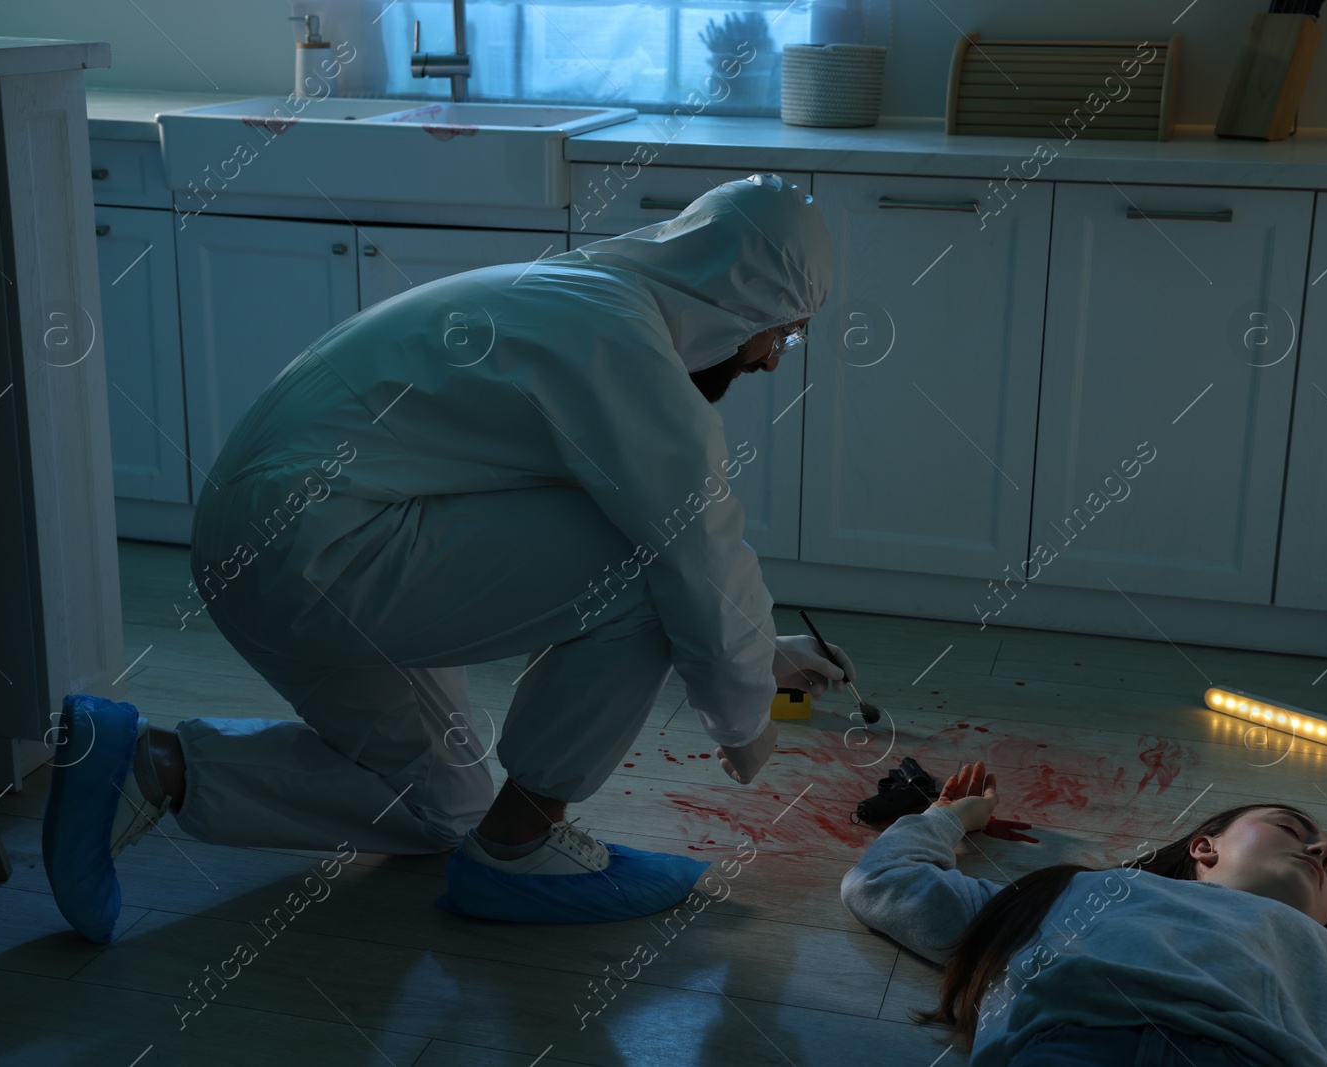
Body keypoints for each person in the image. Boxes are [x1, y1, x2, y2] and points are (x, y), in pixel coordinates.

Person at [42, 173, 857, 942]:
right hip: (317, 553)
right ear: (738, 296)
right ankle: (522, 847)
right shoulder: (624, 344)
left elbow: (688, 532)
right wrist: (748, 724)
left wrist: (762, 651)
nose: (773, 357)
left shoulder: (591, 298)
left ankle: (145, 767)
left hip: (284, 545)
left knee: (439, 805)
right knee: (644, 563)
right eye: (781, 330)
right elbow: (694, 548)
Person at [840, 761, 1327, 1067]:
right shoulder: (1081, 892)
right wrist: (948, 819)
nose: (1320, 851)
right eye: (1293, 830)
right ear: (1203, 847)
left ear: (1320, 921)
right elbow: (885, 883)